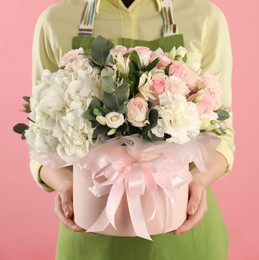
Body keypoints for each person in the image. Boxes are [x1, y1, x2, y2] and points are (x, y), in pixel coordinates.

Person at [30, 0, 235, 259]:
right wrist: (64, 185)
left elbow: (222, 134)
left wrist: (200, 181)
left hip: (180, 222)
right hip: (91, 222)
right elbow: (40, 136)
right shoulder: (55, 21)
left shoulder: (205, 17)